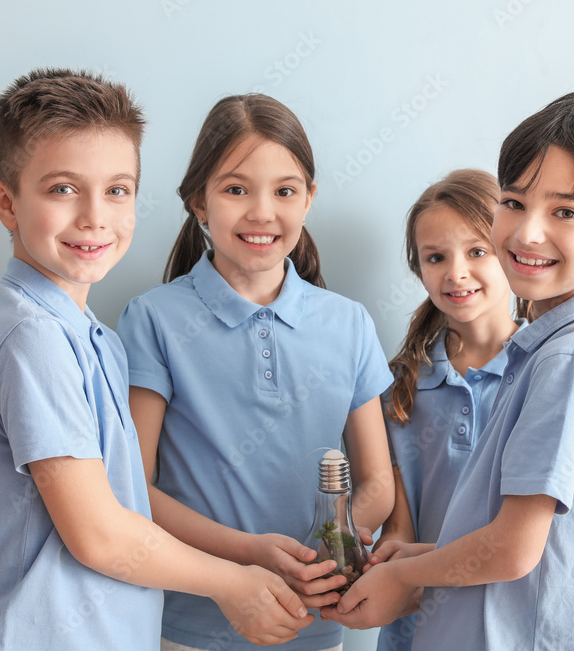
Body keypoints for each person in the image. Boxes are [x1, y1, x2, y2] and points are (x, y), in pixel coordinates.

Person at [0, 70, 312, 651]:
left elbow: (123, 504)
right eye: (63, 189)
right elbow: (99, 535)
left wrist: (244, 553)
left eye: (117, 190)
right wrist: (231, 584)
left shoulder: (92, 337)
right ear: (6, 203)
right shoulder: (30, 338)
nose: (94, 217)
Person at [322, 88, 574, 650]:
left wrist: (405, 575)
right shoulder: (552, 351)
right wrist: (420, 556)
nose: (527, 232)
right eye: (514, 202)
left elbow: (512, 550)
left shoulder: (570, 359)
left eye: (565, 211)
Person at [117, 93, 395, 651]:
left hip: (316, 629)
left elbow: (378, 485)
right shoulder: (153, 319)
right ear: (199, 201)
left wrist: (319, 554)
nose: (262, 212)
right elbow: (132, 490)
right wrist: (250, 554)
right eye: (236, 188)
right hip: (188, 631)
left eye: (285, 191)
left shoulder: (349, 324)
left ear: (309, 199)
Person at [374, 169, 522, 651]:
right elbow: (399, 529)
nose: (456, 273)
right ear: (419, 271)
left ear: (510, 251)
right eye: (436, 258)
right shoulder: (400, 388)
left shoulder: (546, 375)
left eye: (477, 251)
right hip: (418, 632)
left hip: (510, 625)